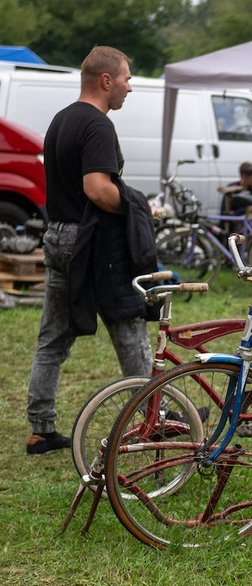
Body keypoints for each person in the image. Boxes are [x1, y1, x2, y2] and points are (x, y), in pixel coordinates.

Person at [26, 46, 152, 455]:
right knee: (129, 323)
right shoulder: (97, 125)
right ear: (106, 80)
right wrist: (133, 207)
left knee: (52, 338)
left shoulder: (60, 120)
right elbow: (96, 189)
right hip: (91, 241)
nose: (130, 87)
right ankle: (158, 415)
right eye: (127, 78)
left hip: (58, 236)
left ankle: (40, 429)